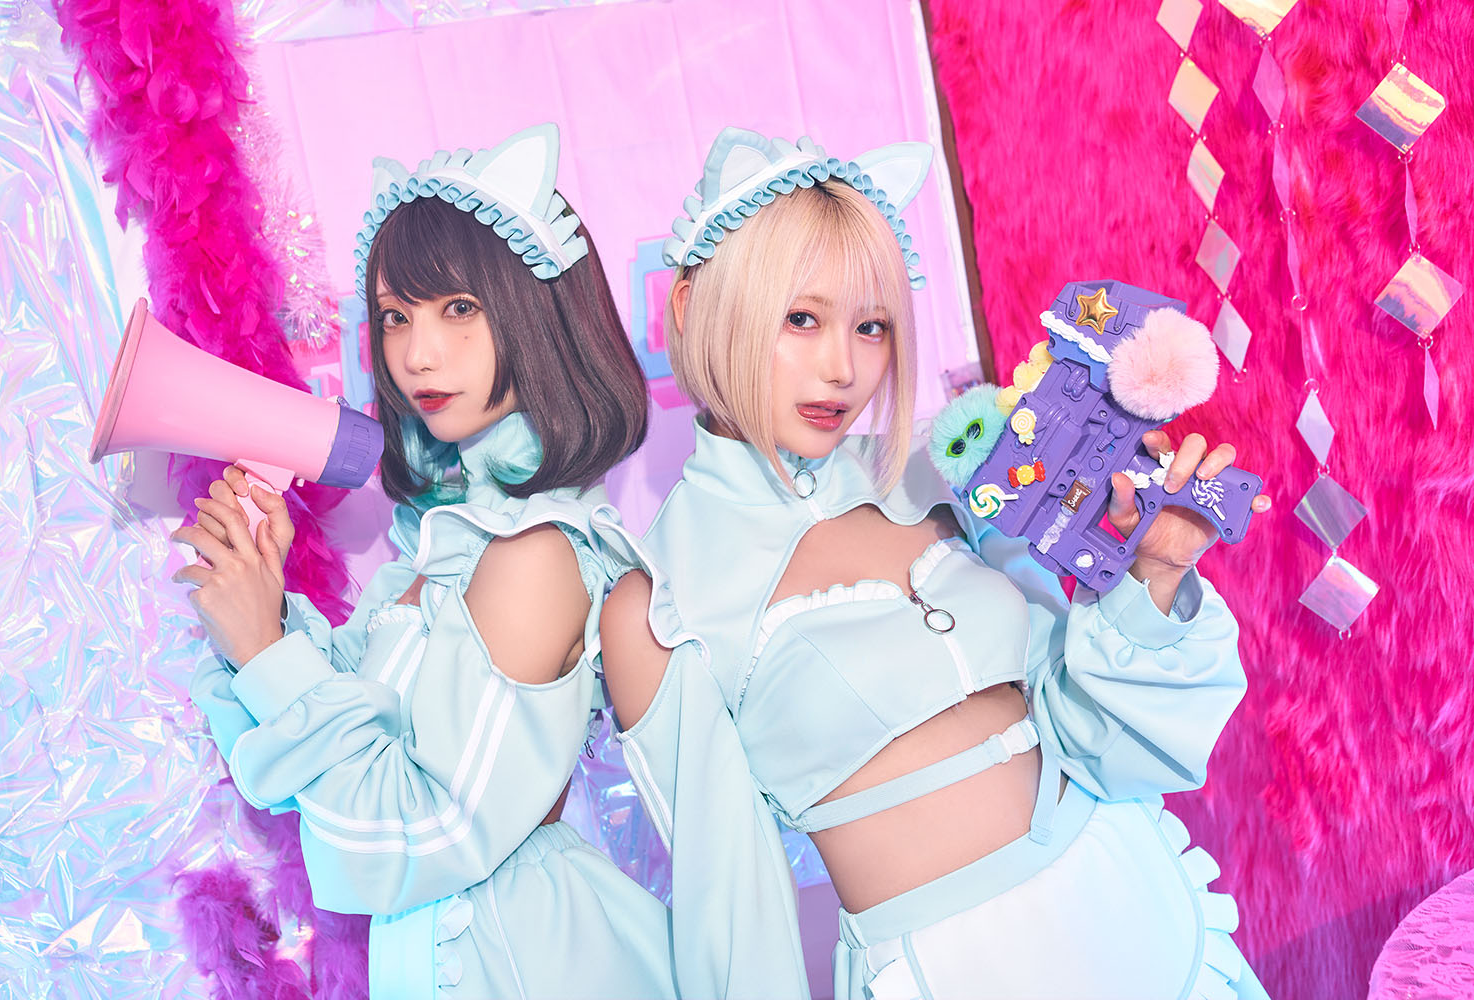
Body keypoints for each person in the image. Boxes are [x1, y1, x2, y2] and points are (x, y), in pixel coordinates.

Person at [598, 127, 1273, 999]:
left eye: (871, 326)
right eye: (801, 319)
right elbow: (730, 913)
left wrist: (1155, 574)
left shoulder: (943, 478)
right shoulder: (660, 602)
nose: (843, 367)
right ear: (692, 309)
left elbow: (1106, 746)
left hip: (1139, 917)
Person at [174, 124, 674, 999]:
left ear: (537, 313)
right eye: (396, 316)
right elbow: (306, 781)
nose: (415, 353)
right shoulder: (436, 551)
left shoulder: (537, 555)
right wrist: (262, 608)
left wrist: (265, 651)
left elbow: (417, 831)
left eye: (458, 309)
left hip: (529, 963)